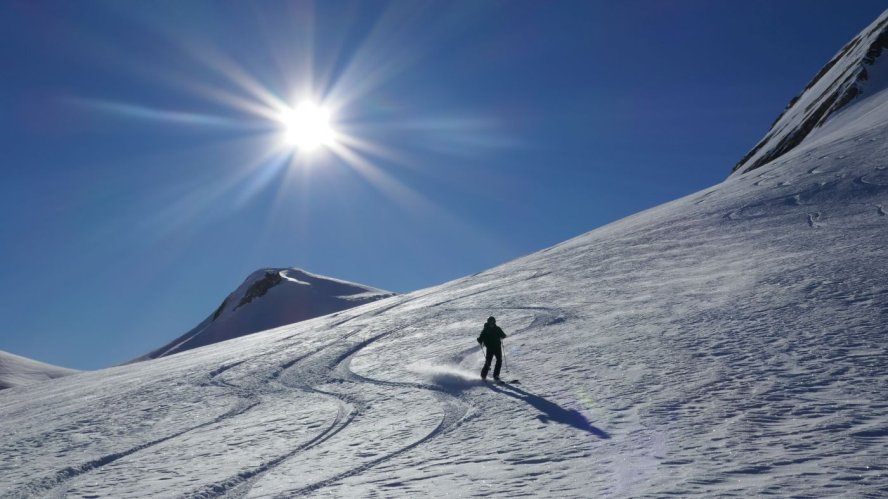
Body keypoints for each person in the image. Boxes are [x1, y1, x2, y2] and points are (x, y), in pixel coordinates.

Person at [477, 316, 507, 381]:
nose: (492, 325)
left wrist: (503, 336)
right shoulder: (485, 330)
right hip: (490, 348)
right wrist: (479, 340)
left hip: (497, 348)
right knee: (488, 362)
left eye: (493, 323)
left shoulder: (497, 329)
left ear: (495, 322)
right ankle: (483, 376)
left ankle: (496, 375)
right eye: (491, 323)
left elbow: (503, 335)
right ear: (488, 323)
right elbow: (481, 338)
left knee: (499, 360)